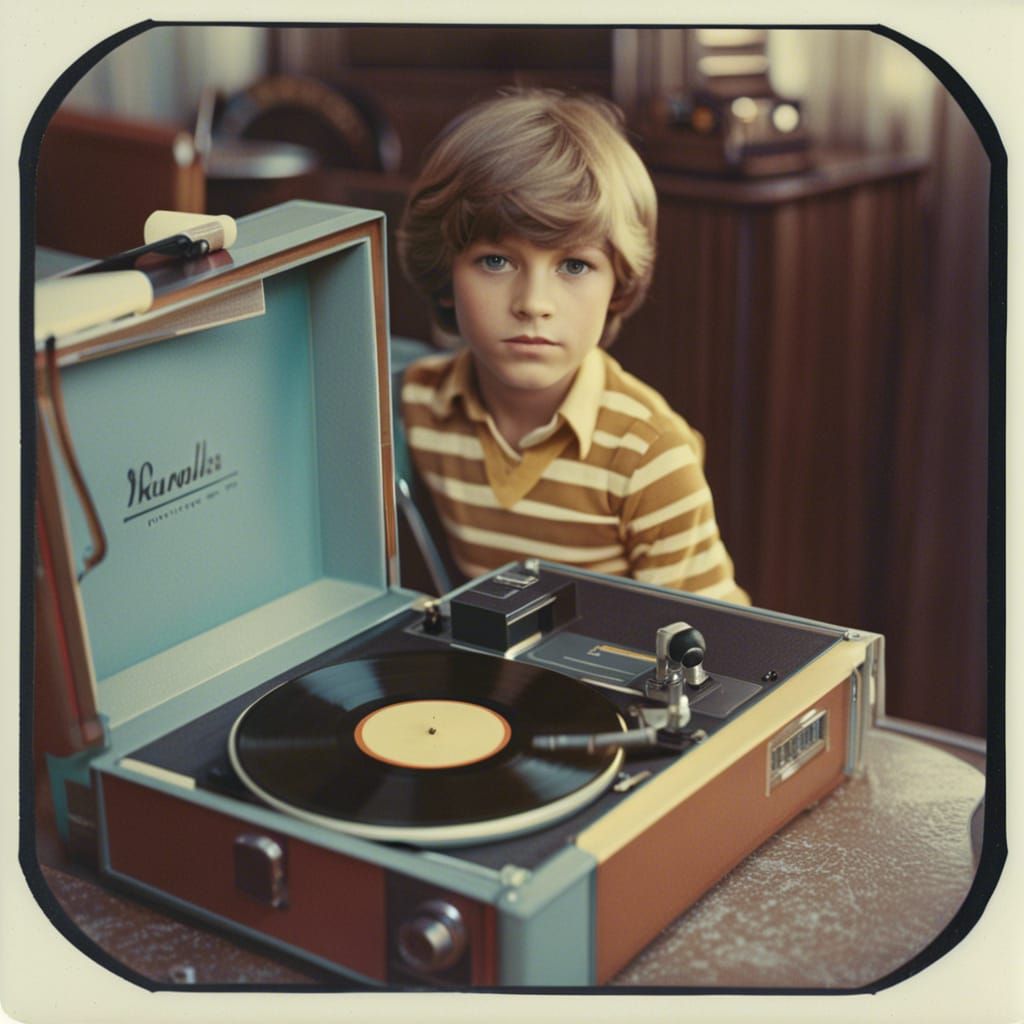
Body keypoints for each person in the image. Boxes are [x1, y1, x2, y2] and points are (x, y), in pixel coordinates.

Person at [397, 89, 748, 603]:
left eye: (575, 265)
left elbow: (709, 638)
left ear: (617, 286)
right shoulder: (416, 404)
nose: (533, 303)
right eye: (496, 261)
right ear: (445, 273)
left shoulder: (650, 456)